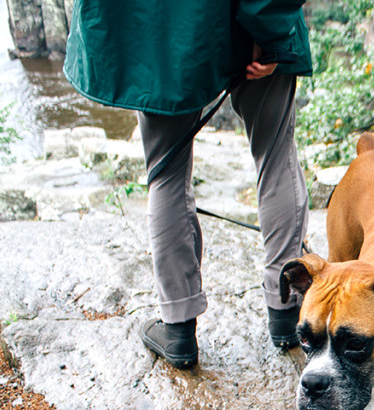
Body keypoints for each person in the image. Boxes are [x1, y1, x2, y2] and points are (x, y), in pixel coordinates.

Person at [63, 1, 312, 368]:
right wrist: (272, 37)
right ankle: (287, 311)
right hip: (252, 23)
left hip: (160, 28)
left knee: (166, 173)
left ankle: (178, 329)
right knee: (276, 155)